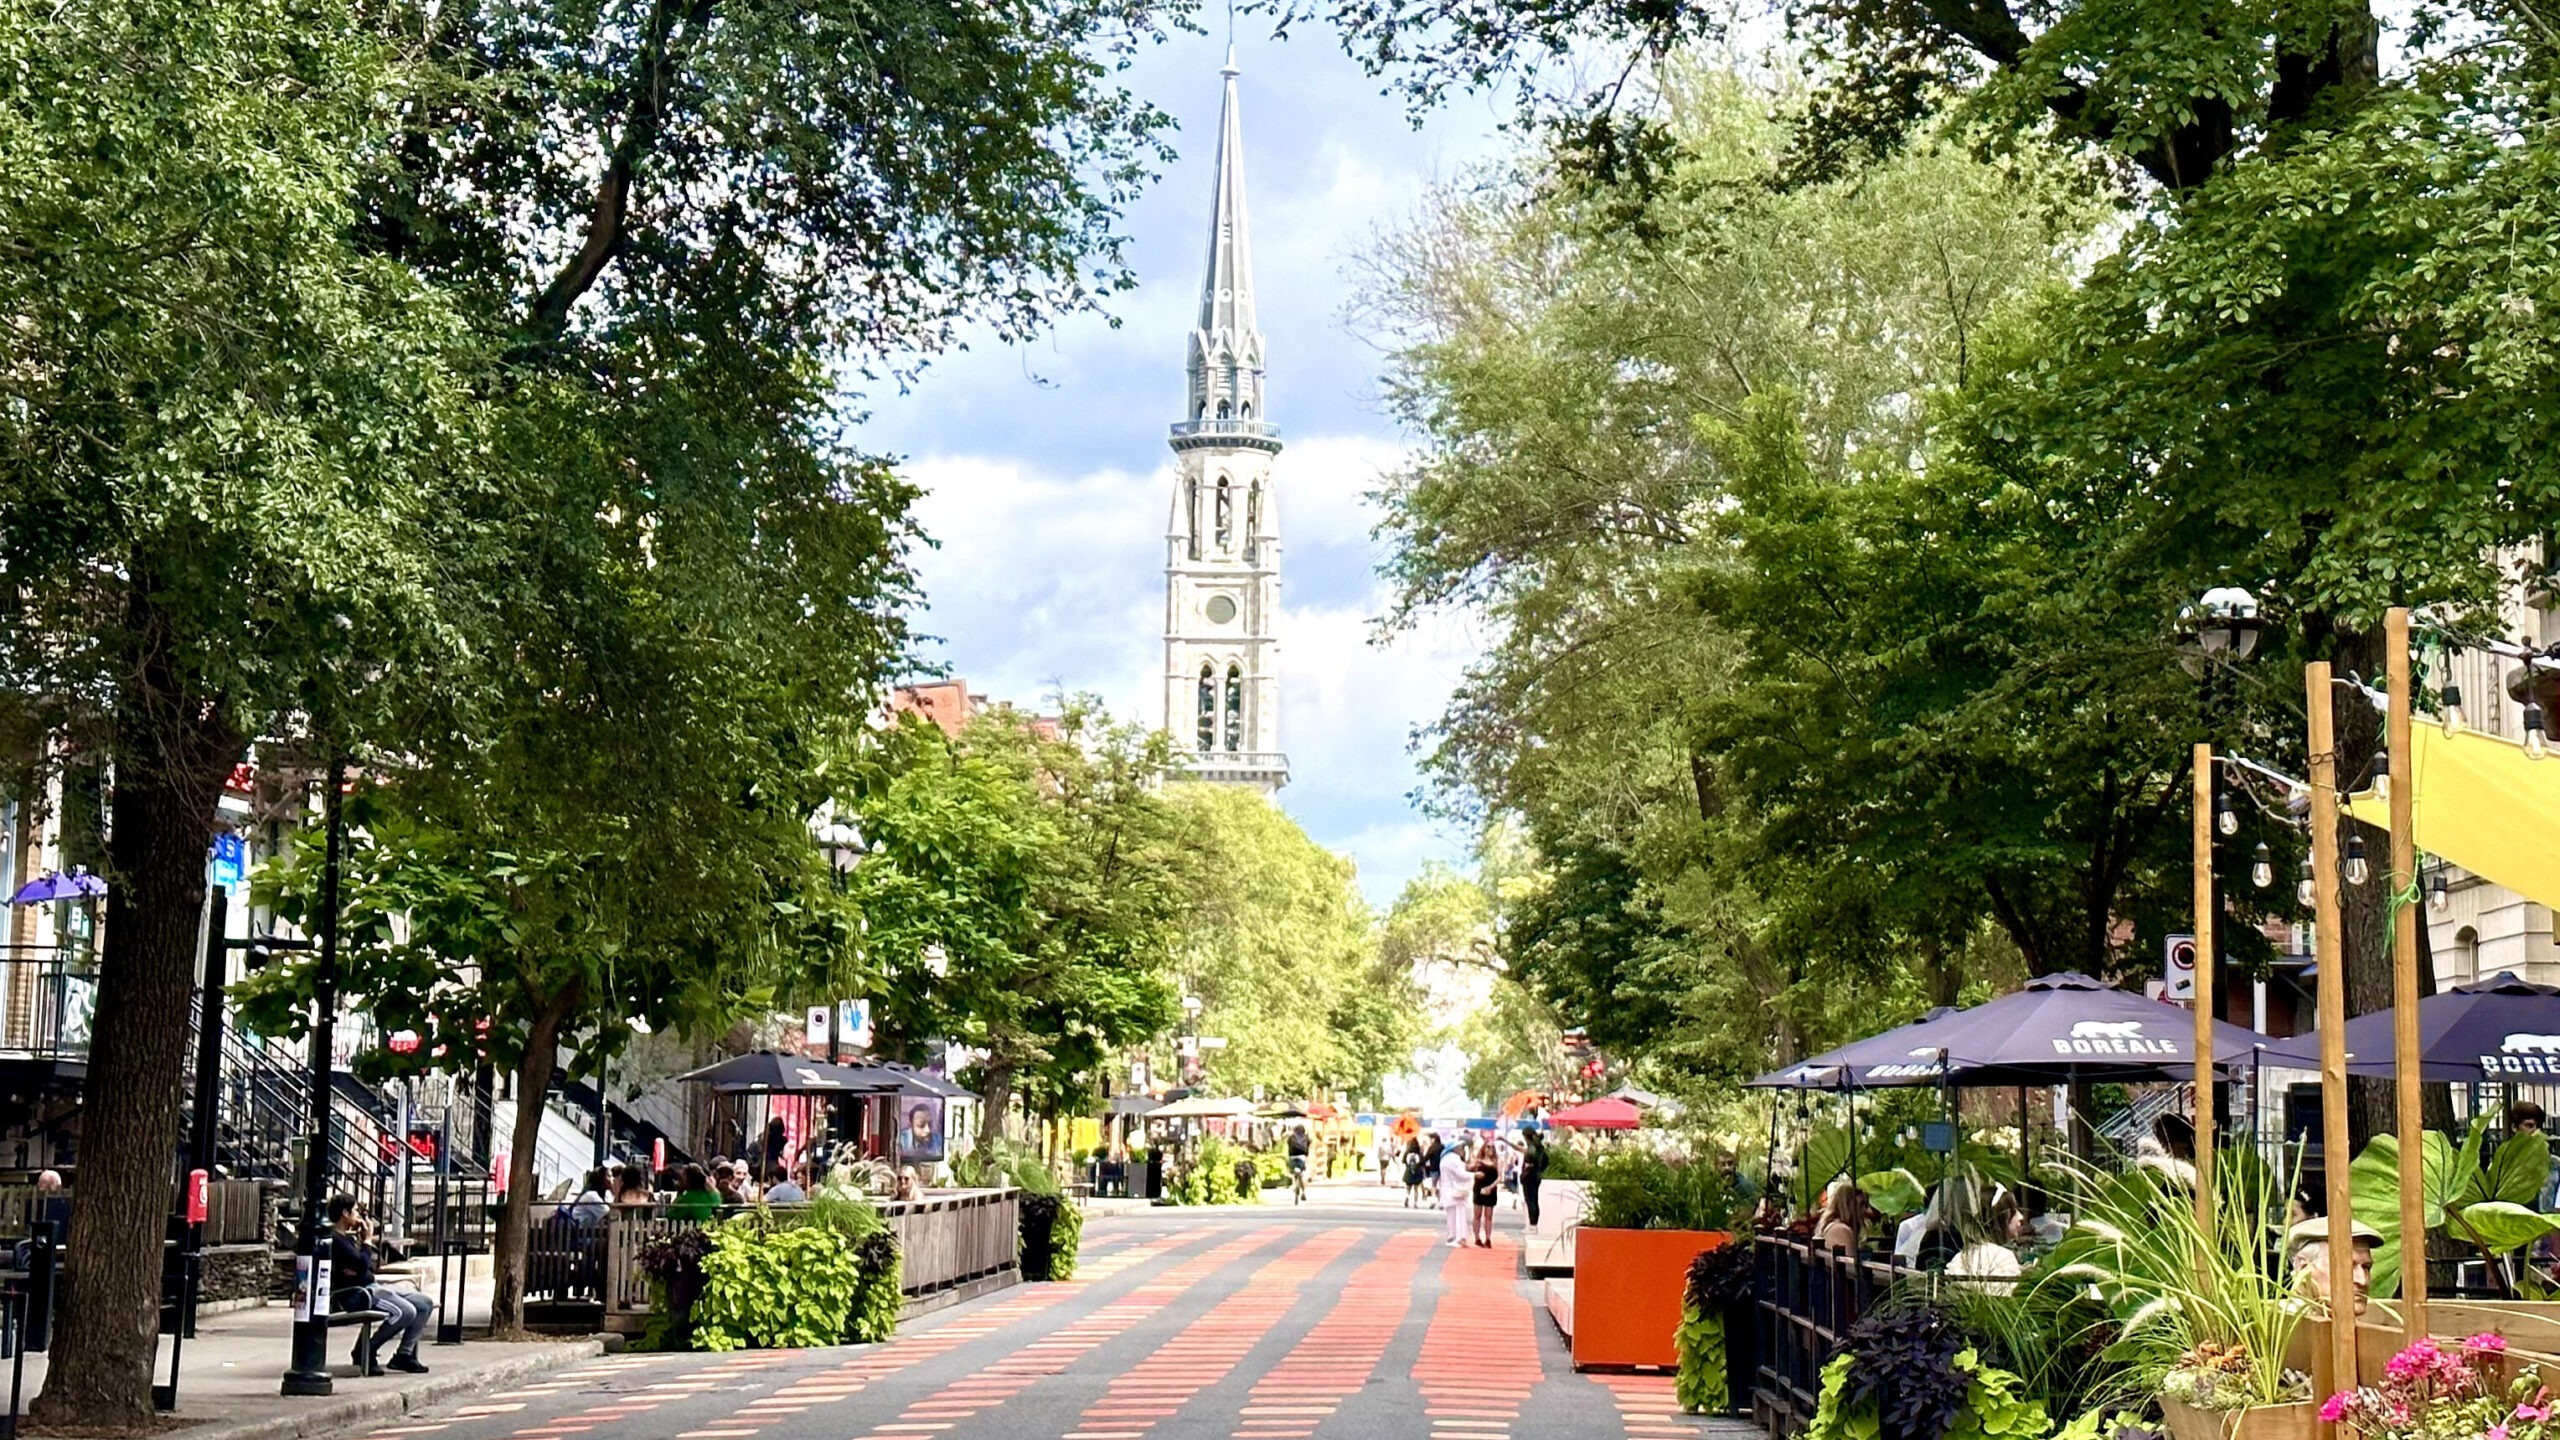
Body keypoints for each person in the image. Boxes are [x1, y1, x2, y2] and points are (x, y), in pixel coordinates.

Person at [327, 1195, 434, 1375]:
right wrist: (367, 1241)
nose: (358, 1215)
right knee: (405, 1311)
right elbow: (361, 1264)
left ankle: (404, 1354)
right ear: (345, 1213)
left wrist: (361, 1255)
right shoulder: (335, 1240)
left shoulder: (350, 1239)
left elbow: (366, 1265)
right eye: (355, 1211)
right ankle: (366, 1350)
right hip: (356, 1294)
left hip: (371, 1285)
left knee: (424, 1303)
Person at [1812, 1181, 1871, 1253]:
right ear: (1848, 1205)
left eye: (1866, 1205)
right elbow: (1850, 1262)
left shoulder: (1835, 1226)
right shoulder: (1841, 1230)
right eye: (1861, 1205)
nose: (1865, 1210)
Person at [1438, 1137, 1473, 1247]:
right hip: (1456, 1190)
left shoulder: (1444, 1159)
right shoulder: (1454, 1159)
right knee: (1460, 1215)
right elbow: (1461, 1174)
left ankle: (1451, 1236)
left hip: (1447, 1190)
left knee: (1451, 1216)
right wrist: (1473, 1175)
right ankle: (1460, 1237)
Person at [1470, 1136, 1500, 1246]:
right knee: (1477, 1214)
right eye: (1488, 1147)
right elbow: (1469, 1169)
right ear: (1484, 1148)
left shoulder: (1496, 1162)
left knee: (1489, 1215)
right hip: (1479, 1188)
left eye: (1492, 1147)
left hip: (1491, 1190)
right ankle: (1477, 1237)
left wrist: (1490, 1187)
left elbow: (1500, 1177)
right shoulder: (1478, 1161)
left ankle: (1488, 1238)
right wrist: (1474, 1172)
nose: (1490, 1149)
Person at [1518, 1127, 1549, 1231]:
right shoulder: (1540, 1147)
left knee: (1530, 1199)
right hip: (1536, 1175)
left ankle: (1532, 1223)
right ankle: (1534, 1223)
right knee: (1534, 1199)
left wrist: (1524, 1173)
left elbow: (1529, 1162)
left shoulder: (1531, 1148)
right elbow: (1546, 1161)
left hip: (1529, 1176)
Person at [1401, 1140, 1426, 1208]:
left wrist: (1408, 1165)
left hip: (1408, 1171)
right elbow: (1423, 1162)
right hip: (1417, 1172)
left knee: (1408, 1188)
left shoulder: (1407, 1152)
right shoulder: (1419, 1153)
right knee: (1416, 1189)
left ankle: (1407, 1198)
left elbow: (1403, 1161)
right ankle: (1415, 1203)